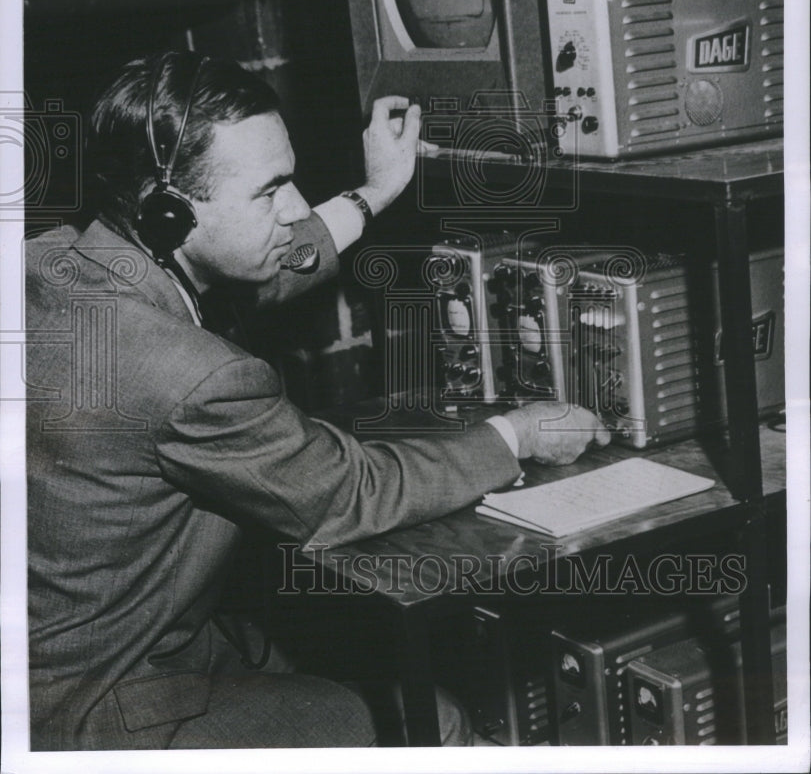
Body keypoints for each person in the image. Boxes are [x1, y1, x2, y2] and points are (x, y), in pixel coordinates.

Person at [26, 52, 609, 751]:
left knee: (324, 660)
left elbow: (252, 276)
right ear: (169, 212)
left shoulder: (52, 267)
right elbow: (351, 493)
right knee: (432, 722)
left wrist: (375, 192)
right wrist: (514, 435)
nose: (297, 206)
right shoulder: (192, 375)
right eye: (270, 190)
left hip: (72, 658)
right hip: (102, 706)